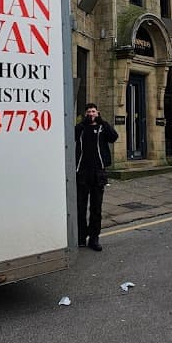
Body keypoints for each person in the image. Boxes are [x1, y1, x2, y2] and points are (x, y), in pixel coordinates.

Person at [74, 103, 119, 252]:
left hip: (98, 173)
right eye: (88, 112)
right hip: (82, 173)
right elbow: (72, 135)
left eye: (93, 111)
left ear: (97, 112)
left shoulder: (102, 127)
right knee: (80, 207)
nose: (91, 114)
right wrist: (83, 123)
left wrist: (103, 122)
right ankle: (81, 237)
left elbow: (113, 137)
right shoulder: (81, 129)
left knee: (96, 208)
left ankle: (94, 238)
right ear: (85, 114)